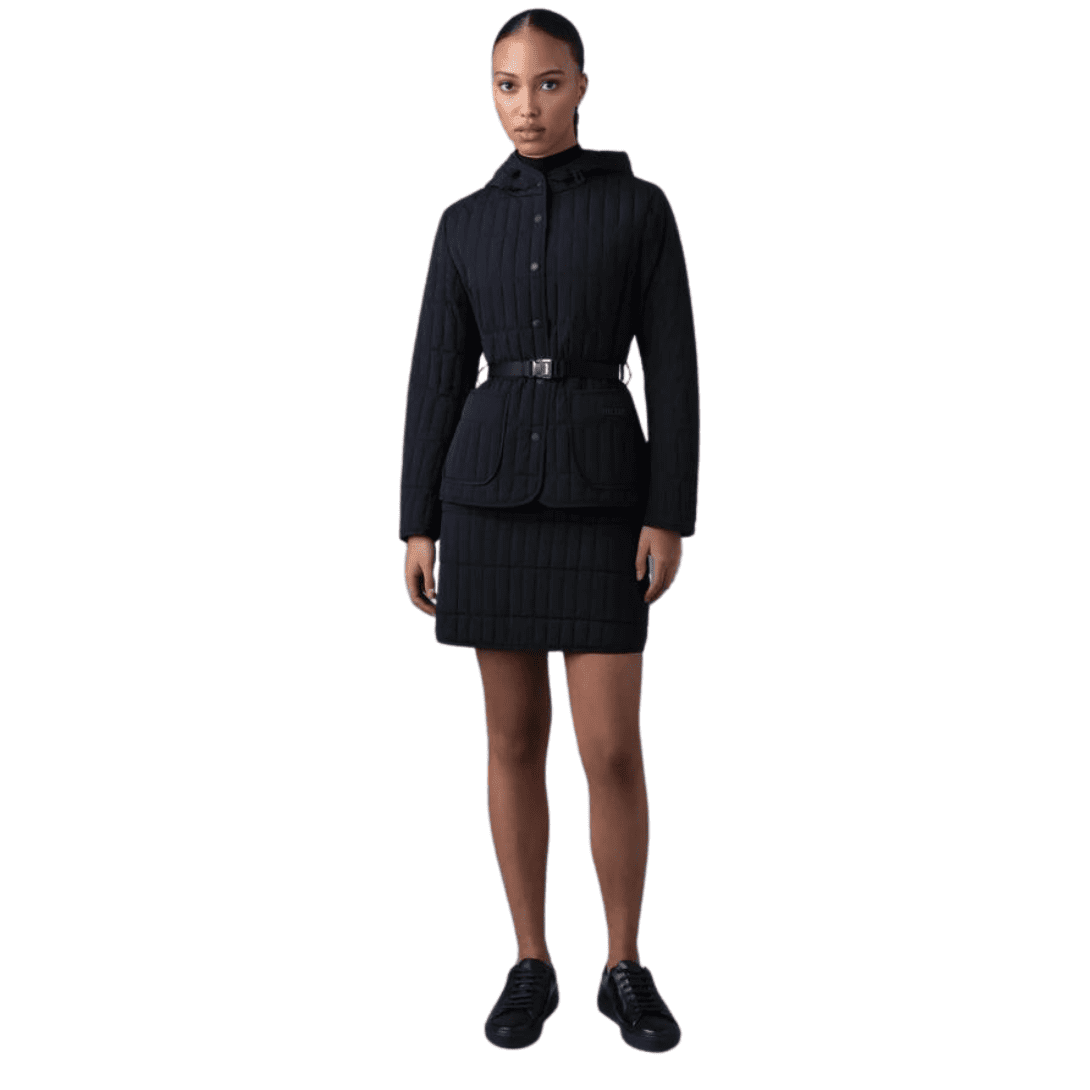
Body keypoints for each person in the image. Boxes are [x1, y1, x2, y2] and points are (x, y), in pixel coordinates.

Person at [398, 9, 698, 1053]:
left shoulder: (639, 209)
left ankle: (624, 965)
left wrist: (670, 511)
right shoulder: (462, 223)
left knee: (611, 747)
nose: (526, 106)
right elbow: (438, 375)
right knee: (513, 739)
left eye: (547, 83)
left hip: (606, 496)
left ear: (581, 86)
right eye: (506, 85)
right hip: (484, 499)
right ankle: (531, 960)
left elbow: (675, 368)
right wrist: (416, 522)